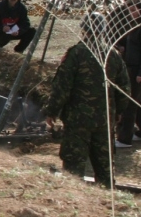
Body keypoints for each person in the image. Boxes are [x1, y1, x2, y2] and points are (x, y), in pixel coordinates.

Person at [43, 12, 130, 188]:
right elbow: (124, 88)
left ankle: (76, 204)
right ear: (103, 30)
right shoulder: (113, 55)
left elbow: (62, 87)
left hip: (78, 121)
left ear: (84, 30)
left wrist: (51, 111)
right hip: (105, 120)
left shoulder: (76, 53)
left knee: (74, 167)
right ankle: (108, 202)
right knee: (104, 167)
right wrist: (119, 111)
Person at [115, 0, 141, 147]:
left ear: (140, 9)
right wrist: (121, 47)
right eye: (129, 10)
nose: (131, 13)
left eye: (134, 10)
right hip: (129, 68)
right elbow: (127, 44)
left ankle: (125, 139)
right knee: (137, 103)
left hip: (138, 71)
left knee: (129, 105)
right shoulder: (134, 26)